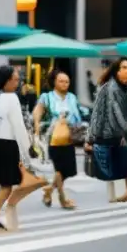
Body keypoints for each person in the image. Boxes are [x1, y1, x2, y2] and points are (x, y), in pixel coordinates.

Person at [0, 65, 47, 232]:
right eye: (15, 80)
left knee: (6, 185)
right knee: (8, 185)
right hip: (7, 145)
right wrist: (29, 152)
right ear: (6, 81)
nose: (17, 83)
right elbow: (19, 128)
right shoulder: (11, 98)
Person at [85, 57, 127, 202]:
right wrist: (90, 139)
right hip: (106, 138)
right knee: (115, 174)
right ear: (116, 72)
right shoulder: (112, 88)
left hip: (115, 137)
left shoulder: (126, 89)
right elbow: (115, 114)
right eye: (124, 67)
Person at [32, 69, 85, 210]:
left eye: (67, 81)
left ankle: (49, 190)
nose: (64, 84)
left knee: (67, 171)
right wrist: (37, 125)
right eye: (61, 81)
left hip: (69, 137)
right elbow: (38, 111)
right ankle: (63, 199)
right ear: (54, 82)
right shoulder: (47, 96)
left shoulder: (72, 97)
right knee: (59, 169)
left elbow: (78, 112)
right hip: (53, 137)